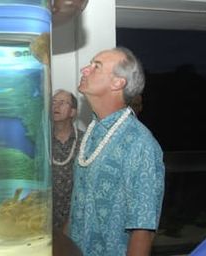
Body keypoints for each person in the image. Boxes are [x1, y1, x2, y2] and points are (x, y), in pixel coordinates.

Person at [69, 47, 165, 255]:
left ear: (118, 83)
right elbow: (78, 207)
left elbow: (142, 231)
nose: (85, 69)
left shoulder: (139, 143)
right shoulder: (92, 134)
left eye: (97, 66)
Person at [52, 89, 83, 232]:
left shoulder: (85, 141)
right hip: (44, 219)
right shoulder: (41, 140)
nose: (55, 106)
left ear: (72, 112)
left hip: (76, 219)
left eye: (62, 103)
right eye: (53, 102)